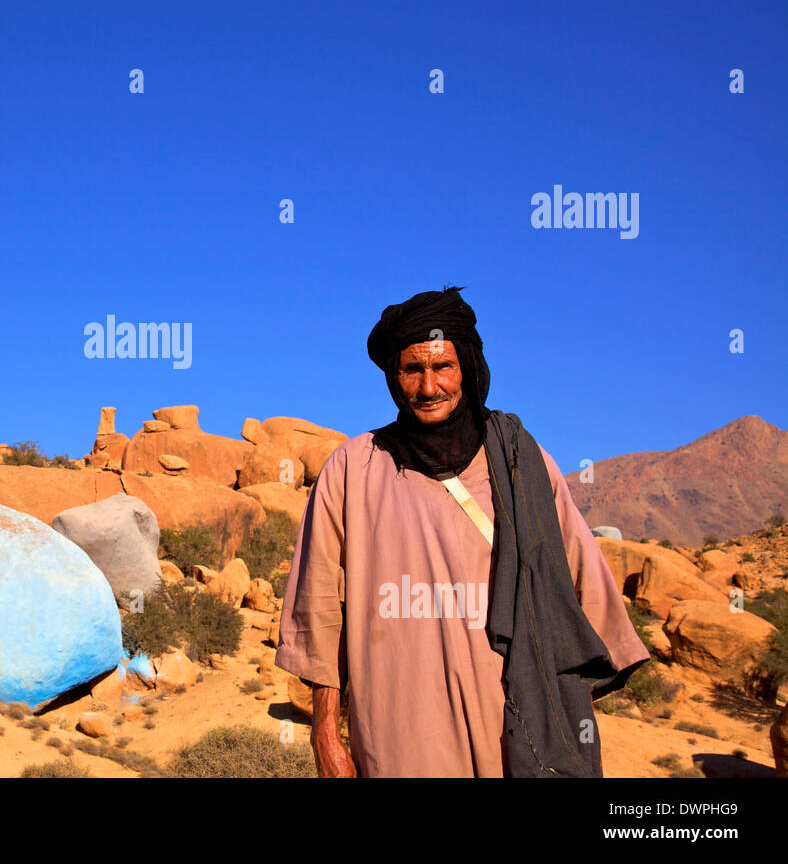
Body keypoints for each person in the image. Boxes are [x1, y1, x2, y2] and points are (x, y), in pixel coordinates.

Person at [275, 285, 648, 777]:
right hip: (398, 735)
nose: (428, 388)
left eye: (442, 367)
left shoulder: (523, 465)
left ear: (467, 368)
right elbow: (319, 606)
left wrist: (562, 717)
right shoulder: (353, 469)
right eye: (412, 370)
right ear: (394, 376)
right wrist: (326, 733)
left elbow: (584, 593)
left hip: (514, 732)